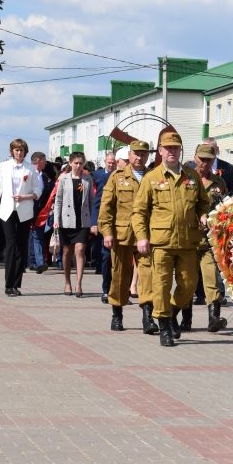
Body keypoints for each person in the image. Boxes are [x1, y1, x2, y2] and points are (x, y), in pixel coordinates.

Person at [132, 130, 210, 347]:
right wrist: (141, 237)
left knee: (189, 285)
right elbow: (139, 212)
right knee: (161, 285)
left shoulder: (191, 176)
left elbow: (203, 202)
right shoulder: (151, 178)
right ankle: (164, 327)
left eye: (175, 148)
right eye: (168, 148)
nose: (172, 152)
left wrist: (203, 215)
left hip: (188, 241)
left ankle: (173, 311)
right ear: (160, 151)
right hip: (161, 242)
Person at [98, 141, 156, 333]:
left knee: (148, 276)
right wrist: (106, 232)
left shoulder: (154, 176)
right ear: (129, 155)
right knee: (120, 276)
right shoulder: (117, 177)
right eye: (136, 154)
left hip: (147, 235)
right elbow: (106, 207)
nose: (140, 157)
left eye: (143, 154)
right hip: (122, 235)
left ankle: (148, 316)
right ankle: (117, 314)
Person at [0, 138, 42, 296]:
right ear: (12, 151)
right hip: (7, 210)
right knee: (11, 245)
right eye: (16, 150)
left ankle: (16, 284)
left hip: (25, 211)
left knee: (22, 246)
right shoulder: (4, 167)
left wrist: (27, 196)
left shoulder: (30, 168)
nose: (19, 153)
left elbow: (38, 189)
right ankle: (8, 284)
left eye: (22, 150)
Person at [191, 143, 229, 332]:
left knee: (211, 280)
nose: (204, 163)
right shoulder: (185, 179)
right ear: (195, 157)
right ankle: (184, 318)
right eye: (202, 159)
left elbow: (225, 209)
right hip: (188, 239)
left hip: (209, 241)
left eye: (208, 160)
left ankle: (214, 318)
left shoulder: (219, 183)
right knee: (187, 282)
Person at [53, 151, 94, 297]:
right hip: (66, 220)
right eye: (75, 163)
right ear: (70, 163)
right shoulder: (63, 179)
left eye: (80, 163)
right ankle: (67, 282)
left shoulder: (88, 179)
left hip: (82, 220)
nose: (78, 166)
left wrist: (92, 221)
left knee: (80, 250)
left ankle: (79, 284)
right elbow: (58, 200)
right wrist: (56, 220)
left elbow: (91, 201)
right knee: (66, 252)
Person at [91, 151, 115, 299]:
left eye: (113, 162)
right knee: (106, 256)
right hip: (103, 220)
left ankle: (118, 290)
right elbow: (96, 203)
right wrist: (94, 222)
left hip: (120, 222)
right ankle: (106, 289)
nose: (111, 164)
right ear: (105, 162)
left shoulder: (121, 175)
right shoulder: (98, 175)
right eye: (109, 162)